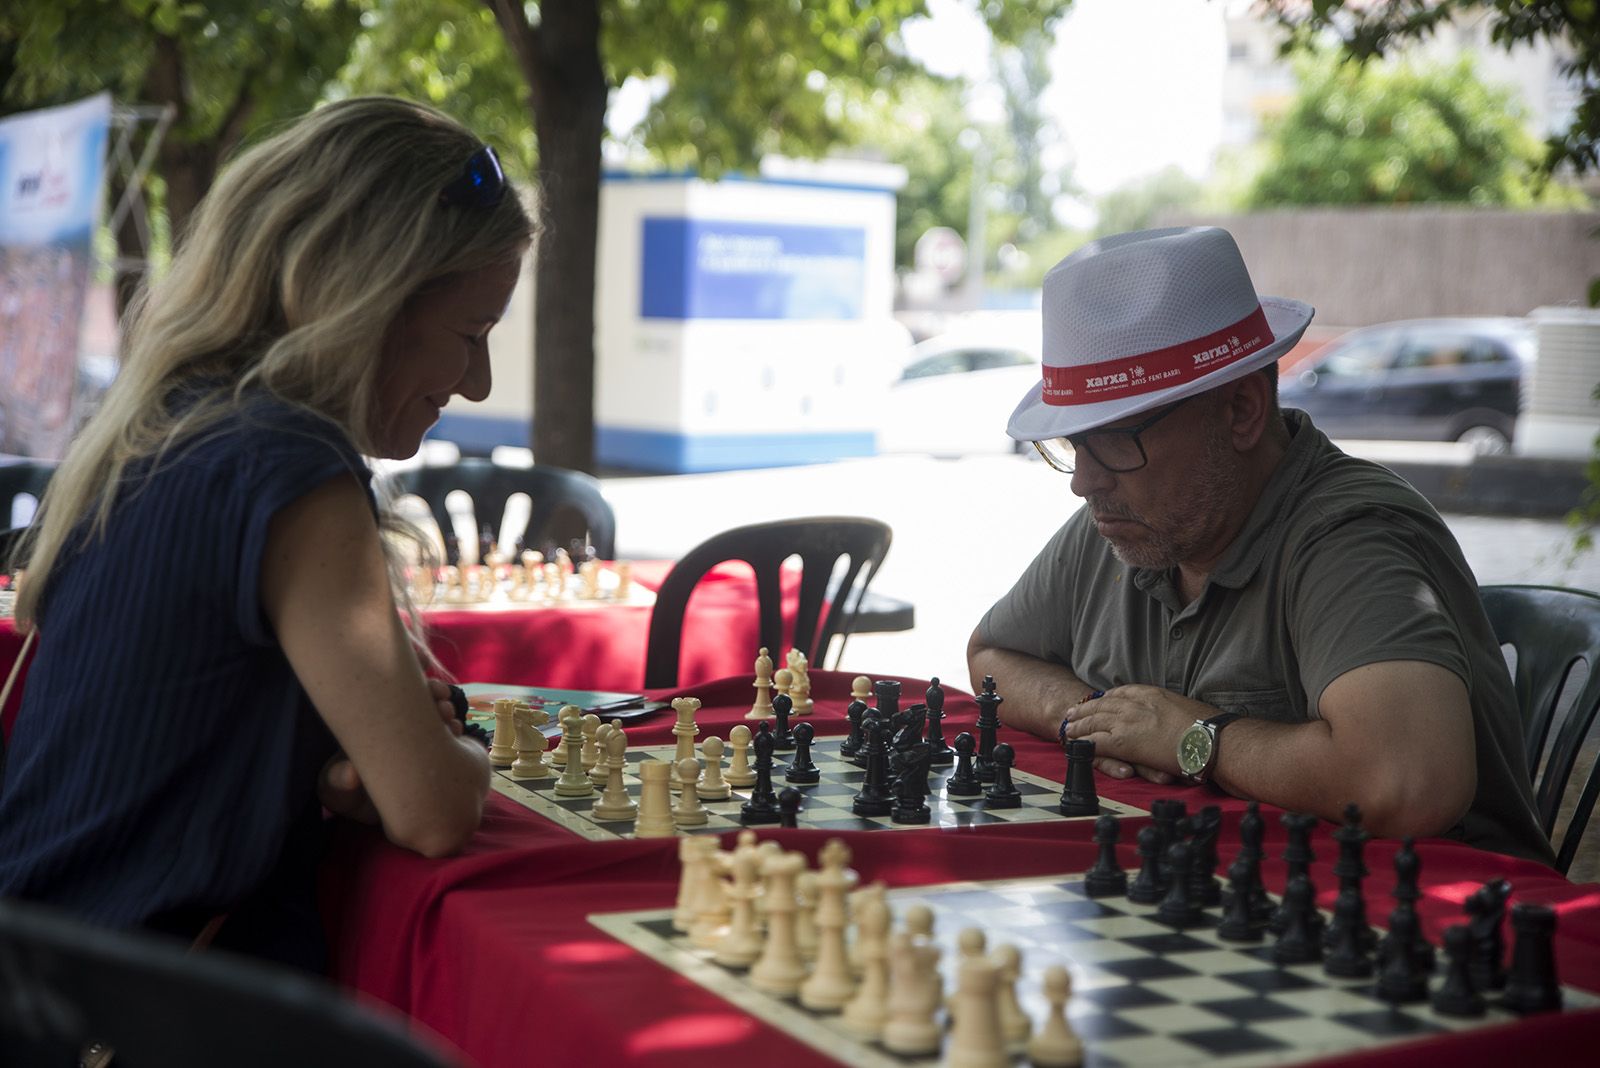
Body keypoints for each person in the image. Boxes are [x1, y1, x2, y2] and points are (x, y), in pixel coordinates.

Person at [0, 97, 536, 969]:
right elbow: (434, 813)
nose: (476, 383)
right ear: (368, 304)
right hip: (129, 1005)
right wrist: (461, 754)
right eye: (471, 334)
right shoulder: (288, 466)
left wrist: (330, 761)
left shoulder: (172, 424)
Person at [967, 226, 1552, 866]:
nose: (1084, 481)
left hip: (1414, 913)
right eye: (1073, 443)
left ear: (1241, 409)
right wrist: (1092, 716)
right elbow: (992, 653)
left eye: (1114, 439)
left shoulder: (1350, 536)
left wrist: (1193, 739)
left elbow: (1407, 785)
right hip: (1213, 885)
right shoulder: (1128, 520)